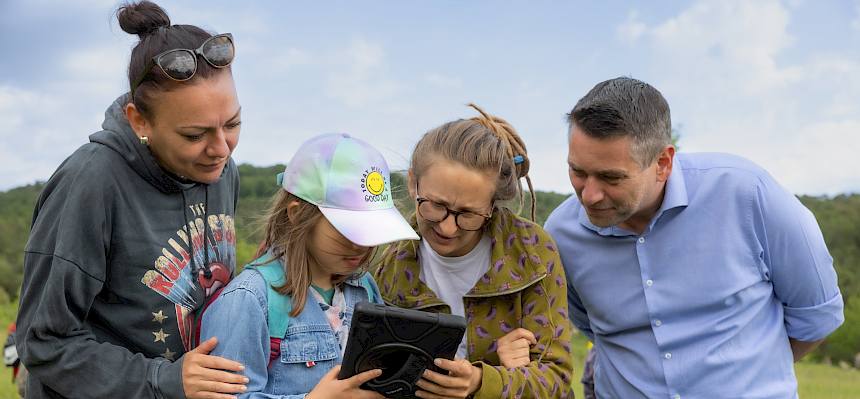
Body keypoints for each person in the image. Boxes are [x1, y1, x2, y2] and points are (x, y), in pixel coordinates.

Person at [545, 77, 845, 398]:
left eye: (610, 177)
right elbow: (590, 327)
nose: (589, 195)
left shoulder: (749, 194)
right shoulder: (560, 235)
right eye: (578, 171)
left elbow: (816, 317)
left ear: (663, 163)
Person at [16, 1, 249, 397]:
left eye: (232, 124)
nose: (221, 149)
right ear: (139, 120)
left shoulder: (223, 173)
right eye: (195, 135)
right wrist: (163, 380)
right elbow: (44, 341)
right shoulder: (89, 183)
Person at [373, 104, 575, 399]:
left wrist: (482, 381)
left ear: (492, 206)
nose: (448, 228)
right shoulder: (390, 266)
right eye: (436, 206)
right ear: (413, 182)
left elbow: (556, 378)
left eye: (468, 214)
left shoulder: (532, 251)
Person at [201, 133, 420, 399]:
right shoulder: (249, 300)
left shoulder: (363, 287)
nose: (362, 245)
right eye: (347, 231)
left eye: (371, 232)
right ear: (296, 215)